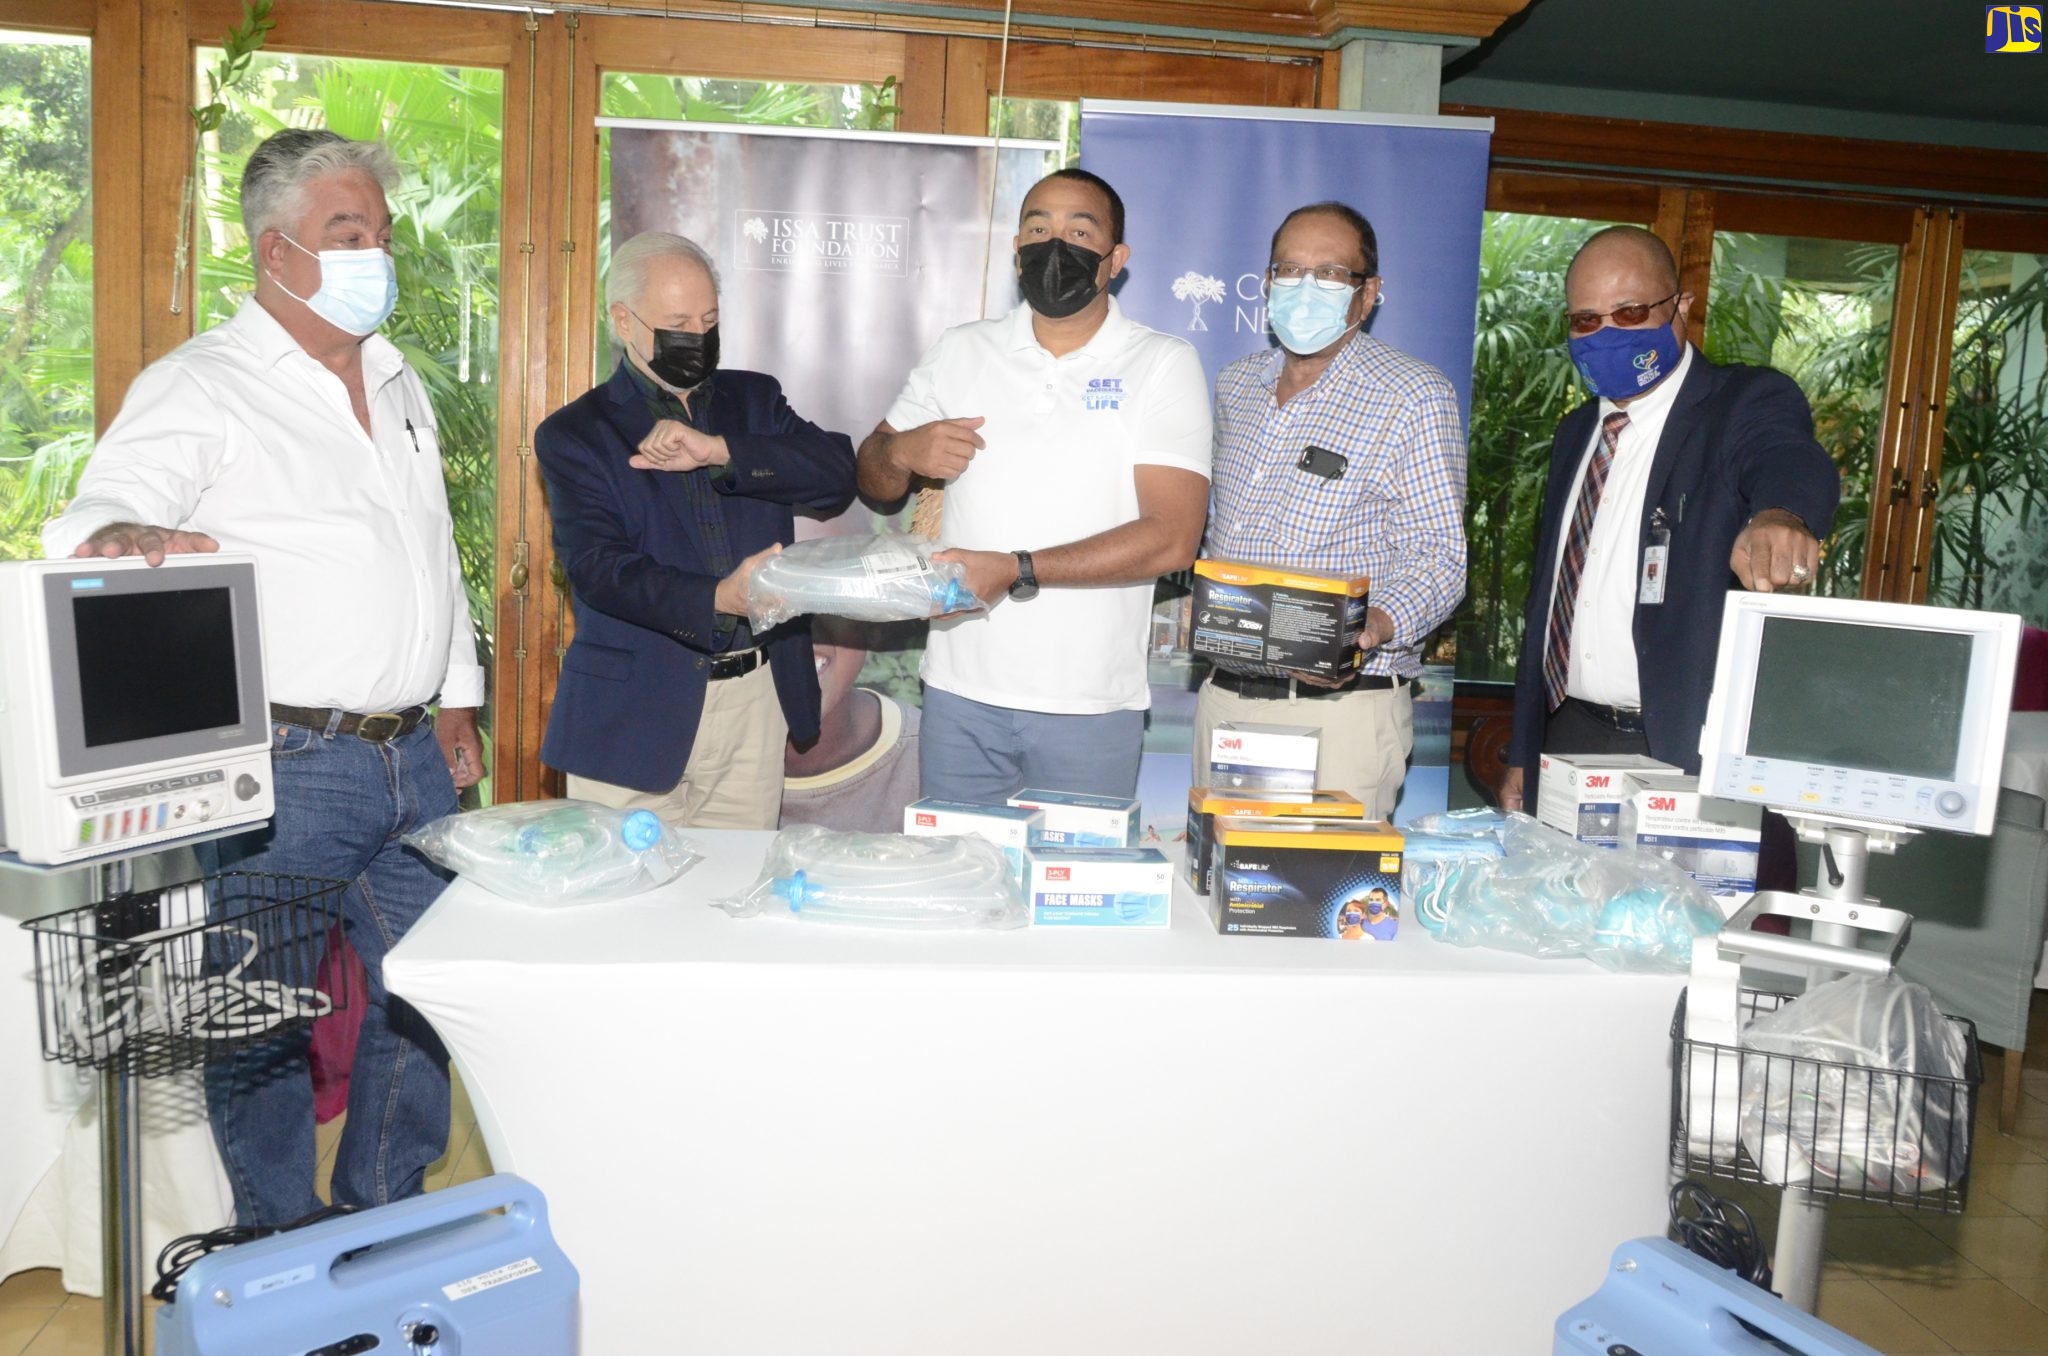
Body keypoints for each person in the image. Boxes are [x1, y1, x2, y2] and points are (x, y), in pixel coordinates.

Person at [43, 129, 482, 1227]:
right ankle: (278, 1241)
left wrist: (460, 693)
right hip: (290, 763)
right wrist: (125, 530)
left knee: (427, 995)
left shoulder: (396, 379)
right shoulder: (205, 384)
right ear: (277, 253)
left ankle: (382, 1213)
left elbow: (433, 552)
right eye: (348, 234)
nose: (373, 253)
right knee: (260, 1019)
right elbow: (93, 517)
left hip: (416, 754)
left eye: (379, 234)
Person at [856, 168, 1211, 803]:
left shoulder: (1162, 362)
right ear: (1017, 248)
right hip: (961, 693)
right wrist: (905, 450)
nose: (1056, 245)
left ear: (1115, 259)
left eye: (1081, 230)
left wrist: (1016, 569)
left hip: (1091, 704)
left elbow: (1172, 539)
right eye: (1039, 228)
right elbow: (874, 477)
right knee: (960, 890)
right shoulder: (961, 350)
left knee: (1077, 892)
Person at [1501, 226, 1840, 812]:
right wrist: (1522, 755)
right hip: (1569, 738)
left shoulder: (1741, 403)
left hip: (1682, 750)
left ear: (1680, 307)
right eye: (1586, 320)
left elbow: (1785, 457)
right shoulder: (1576, 433)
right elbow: (1548, 600)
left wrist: (1780, 515)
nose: (1606, 334)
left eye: (1629, 313)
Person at [536, 232, 857, 828]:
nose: (698, 337)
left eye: (709, 319)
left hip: (755, 702)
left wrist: (719, 450)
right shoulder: (576, 433)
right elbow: (600, 570)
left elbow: (838, 477)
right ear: (624, 321)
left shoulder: (753, 402)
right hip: (632, 714)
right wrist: (719, 599)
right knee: (625, 907)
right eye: (678, 321)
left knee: (731, 901)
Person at [1198, 201, 1468, 819]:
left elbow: (1442, 557)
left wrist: (1365, 627)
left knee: (1321, 906)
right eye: (1289, 271)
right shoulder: (1236, 384)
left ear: (1368, 294)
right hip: (1225, 700)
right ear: (1267, 283)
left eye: (1330, 274)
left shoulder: (1412, 394)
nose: (1304, 288)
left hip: (1341, 711)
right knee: (1216, 898)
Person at [779, 513, 923, 832]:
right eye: (773, 592)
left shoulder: (932, 761)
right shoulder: (688, 768)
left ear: (873, 619)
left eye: (833, 590)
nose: (803, 622)